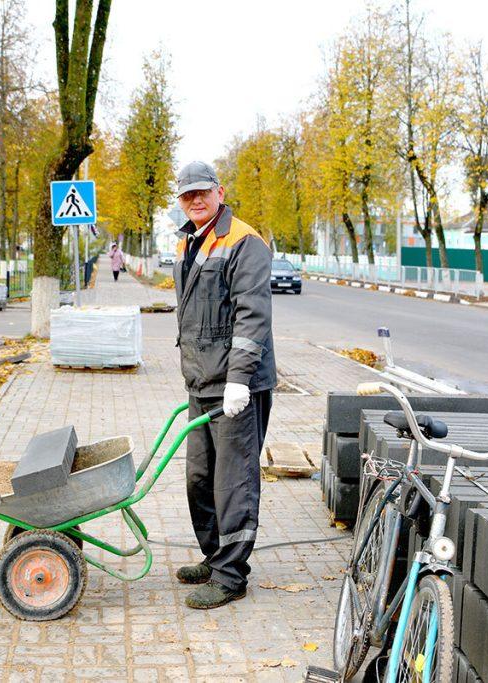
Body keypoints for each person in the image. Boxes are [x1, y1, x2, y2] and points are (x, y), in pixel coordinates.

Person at [171, 160, 276, 609]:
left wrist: (239, 381)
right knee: (201, 479)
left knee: (233, 481)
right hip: (201, 380)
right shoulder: (188, 241)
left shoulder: (243, 241)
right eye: (187, 194)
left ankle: (231, 576)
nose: (195, 199)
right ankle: (215, 558)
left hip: (237, 385)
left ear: (220, 191)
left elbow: (252, 316)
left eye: (203, 192)